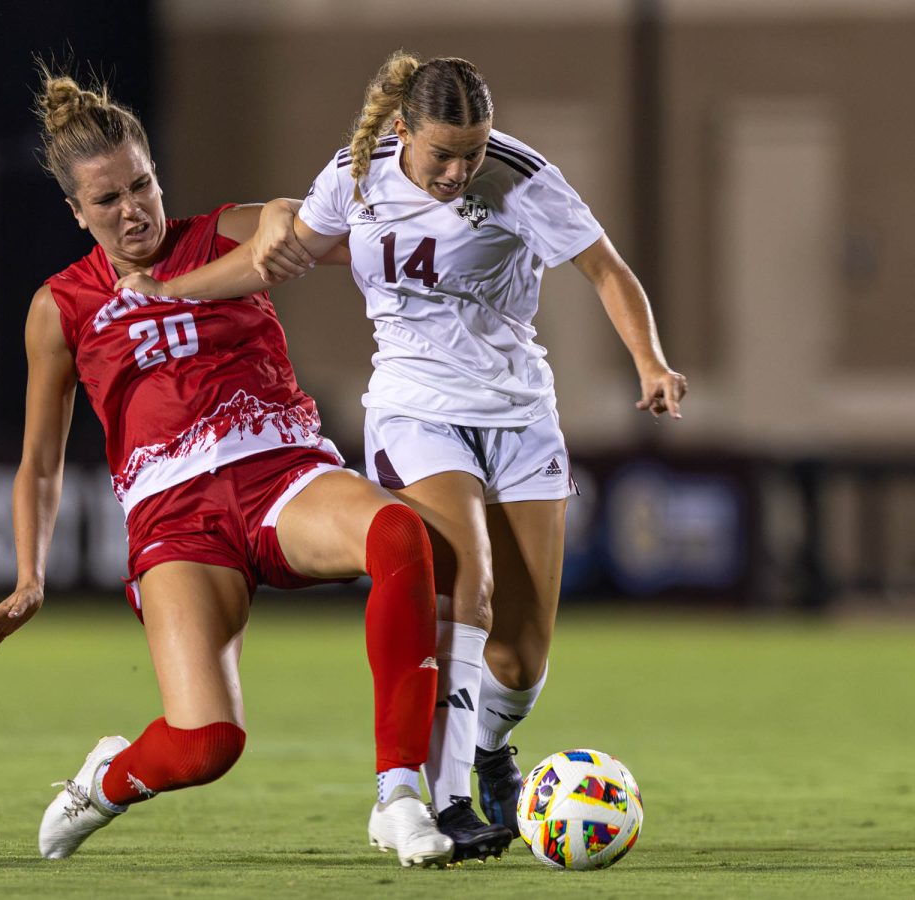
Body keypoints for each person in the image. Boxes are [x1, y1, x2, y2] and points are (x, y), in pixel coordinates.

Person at [116, 50, 688, 858]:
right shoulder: (354, 177)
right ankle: (444, 802)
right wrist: (170, 290)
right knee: (466, 582)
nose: (459, 171)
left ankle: (492, 753)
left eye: (474, 152)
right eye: (443, 153)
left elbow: (607, 270)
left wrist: (650, 362)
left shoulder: (521, 178)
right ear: (404, 131)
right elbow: (278, 256)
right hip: (415, 409)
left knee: (521, 659)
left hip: (520, 413)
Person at [0, 68, 455, 869]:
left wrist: (289, 218)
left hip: (282, 477)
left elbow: (298, 225)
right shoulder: (59, 307)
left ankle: (400, 795)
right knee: (205, 745)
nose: (132, 211)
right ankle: (106, 780)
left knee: (398, 535)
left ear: (159, 176)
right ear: (74, 212)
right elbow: (40, 463)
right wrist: (30, 576)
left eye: (143, 185)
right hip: (175, 520)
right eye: (107, 200)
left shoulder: (221, 235)